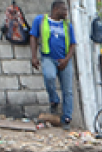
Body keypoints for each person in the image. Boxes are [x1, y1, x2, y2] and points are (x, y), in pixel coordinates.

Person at [28, 0, 75, 128]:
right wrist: (33, 57)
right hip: (48, 58)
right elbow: (33, 37)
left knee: (68, 91)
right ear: (55, 10)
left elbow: (72, 44)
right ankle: (54, 100)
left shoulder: (67, 25)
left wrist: (66, 60)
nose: (66, 12)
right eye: (63, 10)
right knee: (49, 77)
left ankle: (66, 119)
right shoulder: (41, 20)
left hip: (64, 60)